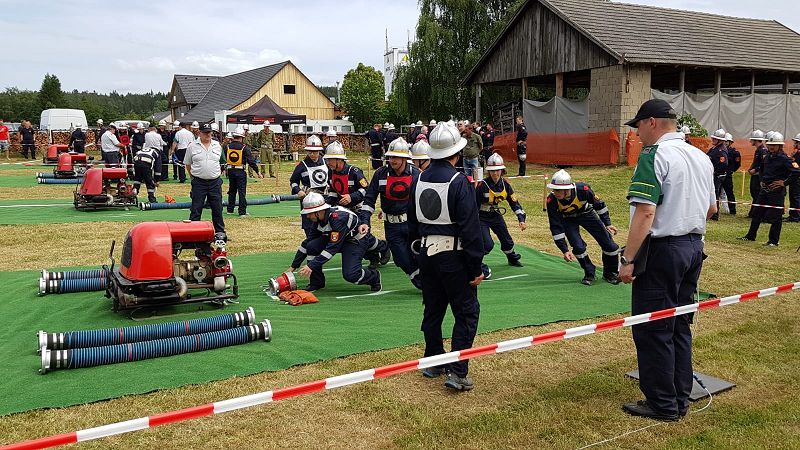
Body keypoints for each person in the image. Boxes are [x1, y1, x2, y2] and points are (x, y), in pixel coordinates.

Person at [620, 98, 716, 421]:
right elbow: (712, 210)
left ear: (651, 123)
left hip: (663, 251)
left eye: (638, 128)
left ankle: (663, 404)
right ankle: (679, 396)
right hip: (693, 248)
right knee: (678, 325)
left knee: (652, 328)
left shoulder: (653, 155)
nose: (636, 136)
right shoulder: (701, 157)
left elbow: (646, 211)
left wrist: (628, 257)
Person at [408, 121, 484, 392]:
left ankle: (434, 361)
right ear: (457, 152)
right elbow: (471, 228)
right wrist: (476, 267)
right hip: (454, 256)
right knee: (466, 312)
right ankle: (458, 371)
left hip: (427, 254)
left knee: (433, 309)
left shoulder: (417, 179)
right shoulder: (459, 181)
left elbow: (411, 223)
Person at [288, 192, 386, 292]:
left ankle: (374, 277)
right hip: (339, 239)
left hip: (355, 240)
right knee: (311, 246)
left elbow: (332, 249)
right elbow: (307, 243)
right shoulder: (318, 221)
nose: (307, 216)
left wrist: (311, 266)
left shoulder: (338, 219)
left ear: (318, 212)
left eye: (309, 213)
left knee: (351, 275)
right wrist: (292, 267)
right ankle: (316, 282)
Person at [360, 137, 421, 289]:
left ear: (405, 158)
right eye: (390, 157)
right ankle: (422, 282)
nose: (392, 160)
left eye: (396, 157)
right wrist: (365, 222)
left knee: (419, 255)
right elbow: (369, 199)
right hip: (391, 227)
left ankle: (429, 282)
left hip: (412, 224)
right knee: (401, 259)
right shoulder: (380, 174)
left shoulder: (417, 174)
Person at [546, 169, 621, 285]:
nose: (556, 193)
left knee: (609, 245)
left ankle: (610, 273)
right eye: (554, 189)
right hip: (567, 220)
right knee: (578, 248)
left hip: (587, 214)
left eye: (558, 190)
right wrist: (564, 250)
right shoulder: (552, 201)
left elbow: (600, 205)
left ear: (568, 189)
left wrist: (607, 223)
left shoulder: (583, 190)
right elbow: (555, 226)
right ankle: (589, 273)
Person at [737, 133, 798, 246]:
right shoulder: (768, 156)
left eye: (774, 145)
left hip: (776, 192)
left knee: (776, 217)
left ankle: (773, 241)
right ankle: (750, 236)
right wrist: (761, 180)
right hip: (764, 190)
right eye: (770, 144)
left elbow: (796, 172)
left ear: (780, 146)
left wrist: (784, 183)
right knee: (756, 213)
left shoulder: (785, 159)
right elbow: (761, 169)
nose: (771, 147)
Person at [476, 153, 526, 280]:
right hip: (481, 217)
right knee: (487, 244)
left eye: (497, 170)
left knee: (507, 241)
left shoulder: (505, 185)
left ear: (502, 171)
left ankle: (512, 258)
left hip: (496, 215)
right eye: (492, 171)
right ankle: (475, 263)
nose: (495, 174)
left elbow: (514, 202)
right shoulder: (482, 185)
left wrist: (521, 219)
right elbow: (473, 205)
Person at [184, 123, 225, 234]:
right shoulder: (192, 146)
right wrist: (193, 177)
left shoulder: (217, 145)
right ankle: (193, 233)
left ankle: (220, 232)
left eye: (209, 132)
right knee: (196, 209)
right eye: (205, 132)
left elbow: (222, 162)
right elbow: (188, 164)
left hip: (215, 182)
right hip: (199, 182)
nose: (208, 135)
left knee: (217, 208)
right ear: (199, 133)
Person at [290, 135, 330, 237]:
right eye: (310, 152)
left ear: (319, 151)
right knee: (309, 225)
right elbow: (293, 181)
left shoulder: (327, 162)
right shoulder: (301, 165)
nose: (312, 154)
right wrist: (298, 190)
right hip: (308, 197)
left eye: (315, 152)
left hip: (325, 196)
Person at [224, 126, 263, 217]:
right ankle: (242, 211)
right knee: (241, 191)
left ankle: (230, 209)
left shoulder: (227, 147)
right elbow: (251, 162)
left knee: (232, 190)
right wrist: (257, 172)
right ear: (241, 137)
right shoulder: (244, 148)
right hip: (240, 171)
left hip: (230, 170)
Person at [323, 141, 368, 214]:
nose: (327, 163)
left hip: (358, 209)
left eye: (330, 160)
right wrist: (327, 205)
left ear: (339, 159)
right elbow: (333, 191)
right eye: (327, 160)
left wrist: (351, 197)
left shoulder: (354, 172)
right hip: (341, 210)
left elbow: (366, 189)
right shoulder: (331, 172)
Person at [132, 125, 164, 203]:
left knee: (137, 178)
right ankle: (151, 198)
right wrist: (157, 180)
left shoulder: (145, 147)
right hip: (145, 164)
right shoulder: (156, 153)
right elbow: (158, 169)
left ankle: (134, 192)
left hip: (137, 161)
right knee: (149, 181)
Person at [706, 129, 728, 221]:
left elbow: (723, 164)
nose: (713, 139)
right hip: (713, 175)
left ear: (721, 140)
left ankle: (715, 215)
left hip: (717, 176)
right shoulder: (714, 148)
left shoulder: (721, 150)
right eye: (713, 138)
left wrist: (715, 172)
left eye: (716, 138)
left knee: (715, 194)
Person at [747, 130, 768, 218]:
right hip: (755, 176)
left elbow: (763, 164)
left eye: (752, 140)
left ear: (756, 140)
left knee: (757, 194)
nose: (750, 141)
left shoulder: (763, 151)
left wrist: (755, 170)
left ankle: (757, 213)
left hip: (758, 176)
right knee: (754, 194)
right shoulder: (758, 150)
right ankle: (753, 213)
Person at [721, 132, 740, 216]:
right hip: (719, 174)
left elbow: (737, 164)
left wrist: (731, 170)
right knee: (716, 192)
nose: (725, 143)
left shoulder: (735, 152)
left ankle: (732, 210)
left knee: (729, 193)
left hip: (728, 175)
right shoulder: (720, 150)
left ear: (730, 142)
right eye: (724, 141)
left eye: (727, 141)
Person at [787, 134, 800, 223]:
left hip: (796, 178)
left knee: (795, 197)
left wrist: (791, 160)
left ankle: (795, 216)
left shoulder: (798, 153)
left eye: (796, 142)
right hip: (796, 178)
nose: (794, 144)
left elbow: (796, 166)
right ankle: (793, 214)